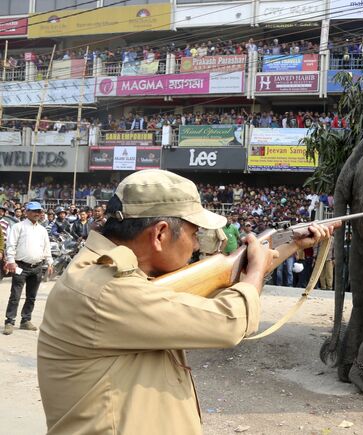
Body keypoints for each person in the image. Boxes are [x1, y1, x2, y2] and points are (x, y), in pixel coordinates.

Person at [37, 170, 336, 434]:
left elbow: (217, 282)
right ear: (160, 234)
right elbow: (228, 322)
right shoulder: (106, 288)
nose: (196, 244)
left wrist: (290, 244)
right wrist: (256, 269)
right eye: (194, 233)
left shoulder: (114, 277)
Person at [3, 202, 53, 335]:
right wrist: (11, 261)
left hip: (37, 267)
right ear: (27, 212)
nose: (37, 213)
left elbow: (46, 247)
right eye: (34, 211)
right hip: (20, 266)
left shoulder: (42, 230)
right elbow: (11, 245)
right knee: (15, 295)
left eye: (39, 211)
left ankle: (25, 320)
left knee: (31, 296)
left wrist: (49, 262)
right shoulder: (18, 227)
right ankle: (9, 321)